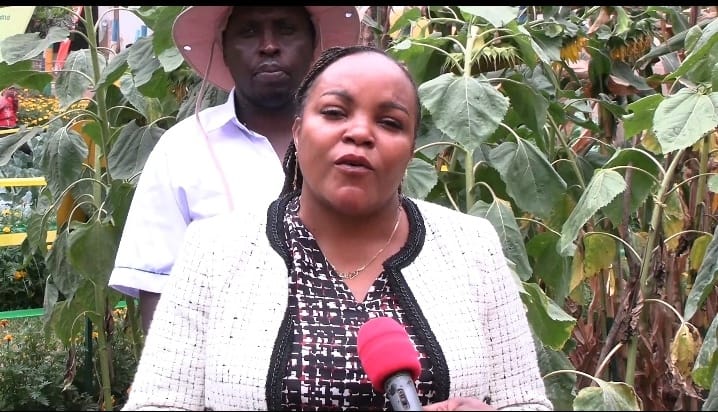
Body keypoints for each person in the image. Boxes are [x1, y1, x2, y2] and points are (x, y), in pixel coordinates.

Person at [122, 45, 553, 411]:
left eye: (390, 123)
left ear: (411, 150)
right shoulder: (214, 250)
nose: (360, 133)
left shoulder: (470, 246)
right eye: (334, 112)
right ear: (298, 131)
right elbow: (159, 402)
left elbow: (524, 399)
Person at [107, 6, 361, 332]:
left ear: (314, 43)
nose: (269, 45)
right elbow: (159, 292)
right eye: (248, 32)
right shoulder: (182, 150)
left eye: (286, 29)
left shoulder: (354, 142)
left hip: (346, 369)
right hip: (222, 376)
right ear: (223, 49)